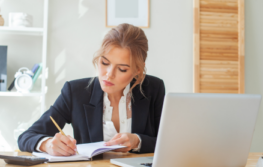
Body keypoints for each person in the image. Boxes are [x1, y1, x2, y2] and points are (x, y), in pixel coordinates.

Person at [18, 23, 165, 156]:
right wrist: (47, 144)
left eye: (122, 69)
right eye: (104, 62)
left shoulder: (154, 89)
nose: (109, 74)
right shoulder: (75, 92)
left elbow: (167, 143)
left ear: (137, 70)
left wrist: (137, 141)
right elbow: (26, 137)